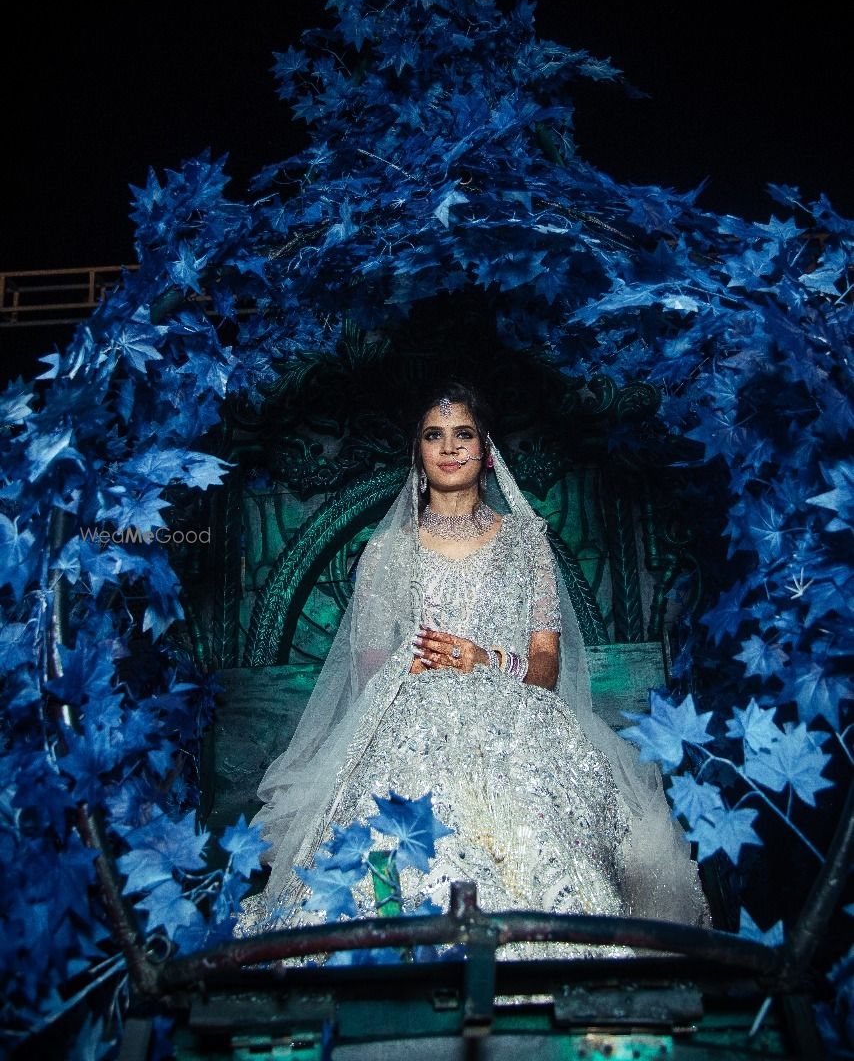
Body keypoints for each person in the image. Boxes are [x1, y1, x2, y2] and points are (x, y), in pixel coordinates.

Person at [236, 384, 709, 954]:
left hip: (517, 719)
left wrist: (482, 659)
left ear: (486, 450)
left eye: (463, 434)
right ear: (418, 452)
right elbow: (367, 672)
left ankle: (545, 945)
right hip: (410, 718)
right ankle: (396, 947)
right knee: (387, 829)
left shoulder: (527, 544)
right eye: (434, 436)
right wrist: (417, 672)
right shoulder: (387, 554)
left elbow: (545, 665)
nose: (449, 447)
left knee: (541, 825)